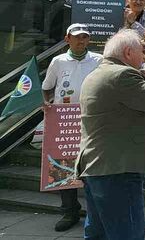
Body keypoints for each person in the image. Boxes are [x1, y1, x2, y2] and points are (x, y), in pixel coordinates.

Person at [75, 29, 145, 240]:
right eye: (141, 52)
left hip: (97, 166)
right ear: (127, 53)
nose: (144, 58)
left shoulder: (95, 74)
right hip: (118, 169)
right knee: (127, 233)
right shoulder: (123, 74)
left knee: (98, 232)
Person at [41, 23, 102, 232]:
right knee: (63, 165)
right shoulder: (58, 61)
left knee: (92, 166)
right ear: (67, 39)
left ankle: (96, 213)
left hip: (91, 120)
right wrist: (47, 103)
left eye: (84, 37)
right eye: (77, 37)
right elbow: (47, 88)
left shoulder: (98, 60)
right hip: (63, 120)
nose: (81, 41)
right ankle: (69, 211)